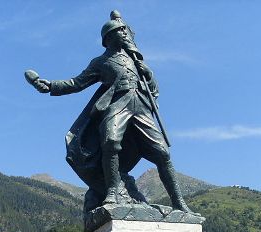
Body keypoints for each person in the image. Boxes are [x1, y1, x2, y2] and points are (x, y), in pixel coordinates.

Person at [30, 14, 192, 213]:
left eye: (126, 30)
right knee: (110, 141)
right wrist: (50, 86)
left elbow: (154, 90)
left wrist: (147, 74)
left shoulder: (135, 58)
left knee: (162, 152)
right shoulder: (101, 62)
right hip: (117, 104)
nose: (125, 33)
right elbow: (77, 83)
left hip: (140, 105)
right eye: (120, 31)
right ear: (108, 37)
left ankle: (178, 202)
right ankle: (113, 191)